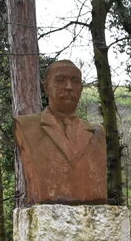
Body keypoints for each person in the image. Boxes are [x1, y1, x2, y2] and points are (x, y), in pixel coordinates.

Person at [14, 59, 108, 204]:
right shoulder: (27, 127)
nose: (69, 87)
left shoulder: (97, 133)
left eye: (75, 81)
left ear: (81, 88)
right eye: (60, 80)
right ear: (46, 87)